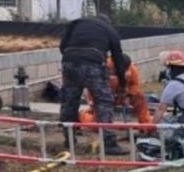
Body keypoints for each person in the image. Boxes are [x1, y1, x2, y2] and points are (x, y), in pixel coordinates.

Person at [59, 14, 129, 155]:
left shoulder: (77, 22)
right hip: (92, 63)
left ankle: (69, 139)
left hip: (69, 61)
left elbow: (62, 46)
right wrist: (122, 83)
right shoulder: (110, 30)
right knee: (103, 101)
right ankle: (108, 143)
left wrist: (73, 58)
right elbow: (118, 59)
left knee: (69, 100)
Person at [105, 54, 152, 124]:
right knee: (96, 122)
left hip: (123, 95)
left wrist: (129, 95)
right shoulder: (104, 66)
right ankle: (84, 115)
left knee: (140, 97)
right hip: (105, 97)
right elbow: (94, 87)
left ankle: (145, 125)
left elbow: (135, 84)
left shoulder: (132, 68)